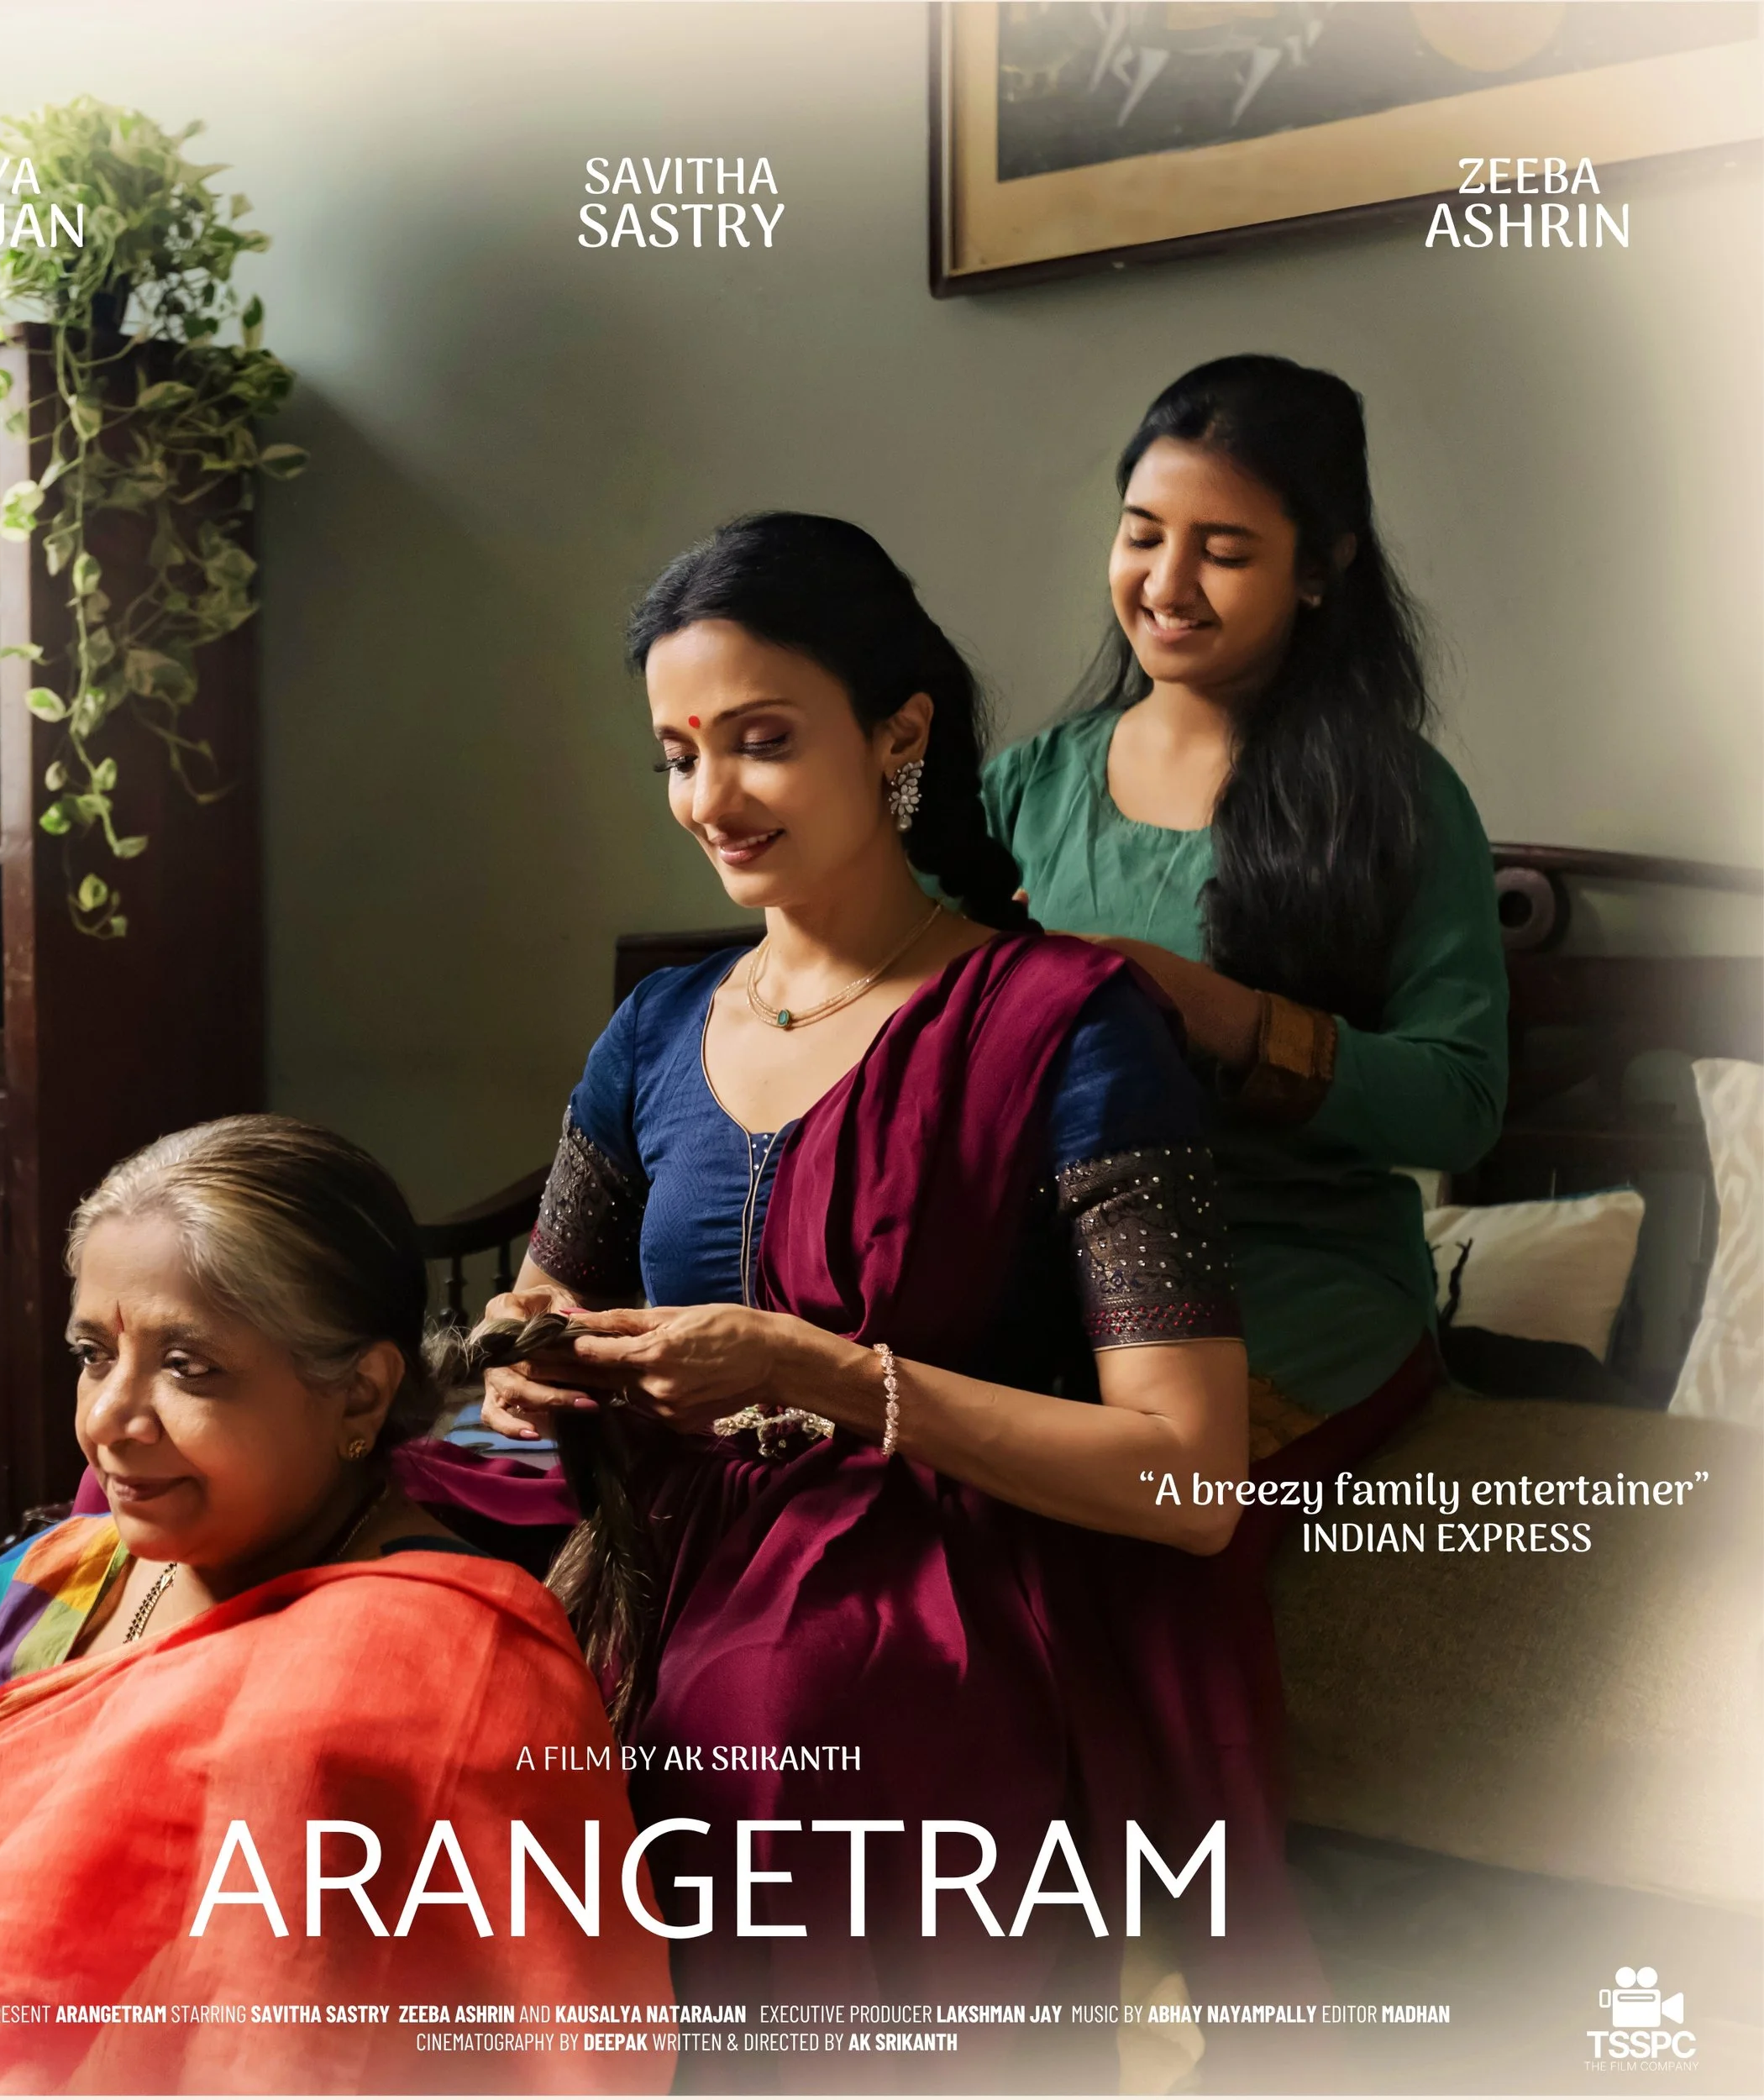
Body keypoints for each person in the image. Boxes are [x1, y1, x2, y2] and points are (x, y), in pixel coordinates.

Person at [410, 512, 1314, 2092]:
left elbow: (1188, 1476)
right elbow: (546, 1288)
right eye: (678, 755)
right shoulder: (660, 1026)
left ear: (899, 736)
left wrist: (823, 1372)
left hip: (933, 1541)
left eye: (760, 742)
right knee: (320, 1576)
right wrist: (523, 1360)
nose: (710, 799)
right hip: (649, 1509)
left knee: (769, 1709)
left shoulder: (1071, 1025)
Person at [0, 1116, 673, 2097]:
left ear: (361, 1395)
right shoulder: (61, 1579)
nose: (108, 1417)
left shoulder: (449, 1675)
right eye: (94, 1354)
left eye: (190, 1368)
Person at [986, 354, 1506, 1461]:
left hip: (1293, 1285)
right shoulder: (1024, 787)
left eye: (1223, 553)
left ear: (1319, 569)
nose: (1167, 584)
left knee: (1121, 1509)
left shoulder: (1396, 802)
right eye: (1141, 535)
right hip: (1048, 1269)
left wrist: (1208, 1008)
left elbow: (1459, 1103)